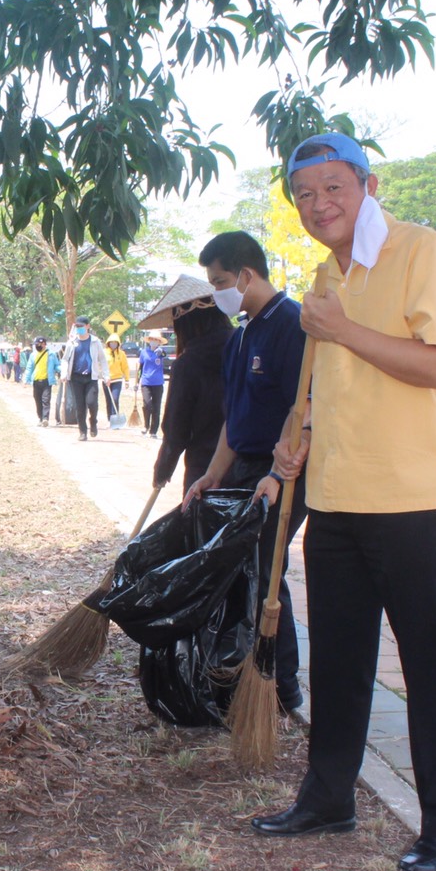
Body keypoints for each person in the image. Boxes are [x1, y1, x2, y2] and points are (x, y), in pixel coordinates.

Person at [250, 132, 436, 871]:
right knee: (341, 661)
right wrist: (296, 438)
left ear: (368, 186)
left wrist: (344, 327)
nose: (320, 204)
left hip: (416, 499)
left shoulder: (422, 251)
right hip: (338, 500)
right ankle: (328, 798)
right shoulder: (323, 276)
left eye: (333, 187)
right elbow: (319, 386)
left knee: (431, 663)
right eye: (305, 194)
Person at [182, 231, 307, 715]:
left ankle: (283, 690)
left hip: (285, 468)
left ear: (247, 275)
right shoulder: (240, 337)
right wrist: (212, 474)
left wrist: (278, 472)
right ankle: (239, 675)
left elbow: (307, 409)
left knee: (266, 573)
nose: (217, 294)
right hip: (244, 469)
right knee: (238, 569)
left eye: (220, 282)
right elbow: (234, 420)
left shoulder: (291, 326)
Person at [137, 276, 229, 493]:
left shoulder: (190, 362)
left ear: (184, 322)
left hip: (205, 469)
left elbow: (176, 427)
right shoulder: (245, 344)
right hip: (251, 469)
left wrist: (163, 468)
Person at [60, 316, 110, 440]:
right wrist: (64, 373)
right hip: (75, 378)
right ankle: (82, 431)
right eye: (77, 327)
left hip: (91, 378)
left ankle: (93, 422)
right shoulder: (72, 342)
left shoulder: (95, 341)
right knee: (80, 406)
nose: (79, 329)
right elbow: (65, 359)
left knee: (92, 403)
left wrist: (106, 375)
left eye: (81, 326)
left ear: (88, 326)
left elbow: (102, 360)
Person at [23, 335, 59, 425]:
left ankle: (45, 418)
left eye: (40, 344)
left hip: (47, 381)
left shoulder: (51, 354)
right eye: (36, 344)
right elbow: (29, 368)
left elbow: (57, 365)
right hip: (36, 381)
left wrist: (63, 371)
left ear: (44, 344)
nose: (38, 346)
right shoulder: (33, 355)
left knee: (46, 400)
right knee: (38, 400)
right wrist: (25, 379)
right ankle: (40, 418)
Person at [138, 332, 166, 437]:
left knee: (156, 407)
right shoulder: (144, 352)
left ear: (159, 342)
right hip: (146, 382)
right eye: (152, 339)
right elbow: (140, 368)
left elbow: (164, 354)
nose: (154, 341)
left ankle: (153, 431)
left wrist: (161, 352)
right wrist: (137, 382)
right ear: (149, 340)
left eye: (156, 340)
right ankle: (146, 425)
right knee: (147, 404)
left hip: (158, 383)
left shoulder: (160, 352)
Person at [104, 335, 127, 428]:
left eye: (115, 342)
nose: (113, 344)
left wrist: (127, 380)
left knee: (115, 398)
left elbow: (125, 367)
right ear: (108, 343)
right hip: (106, 380)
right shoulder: (104, 353)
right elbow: (100, 364)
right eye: (111, 342)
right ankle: (110, 419)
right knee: (108, 400)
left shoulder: (121, 354)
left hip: (117, 379)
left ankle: (115, 420)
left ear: (118, 343)